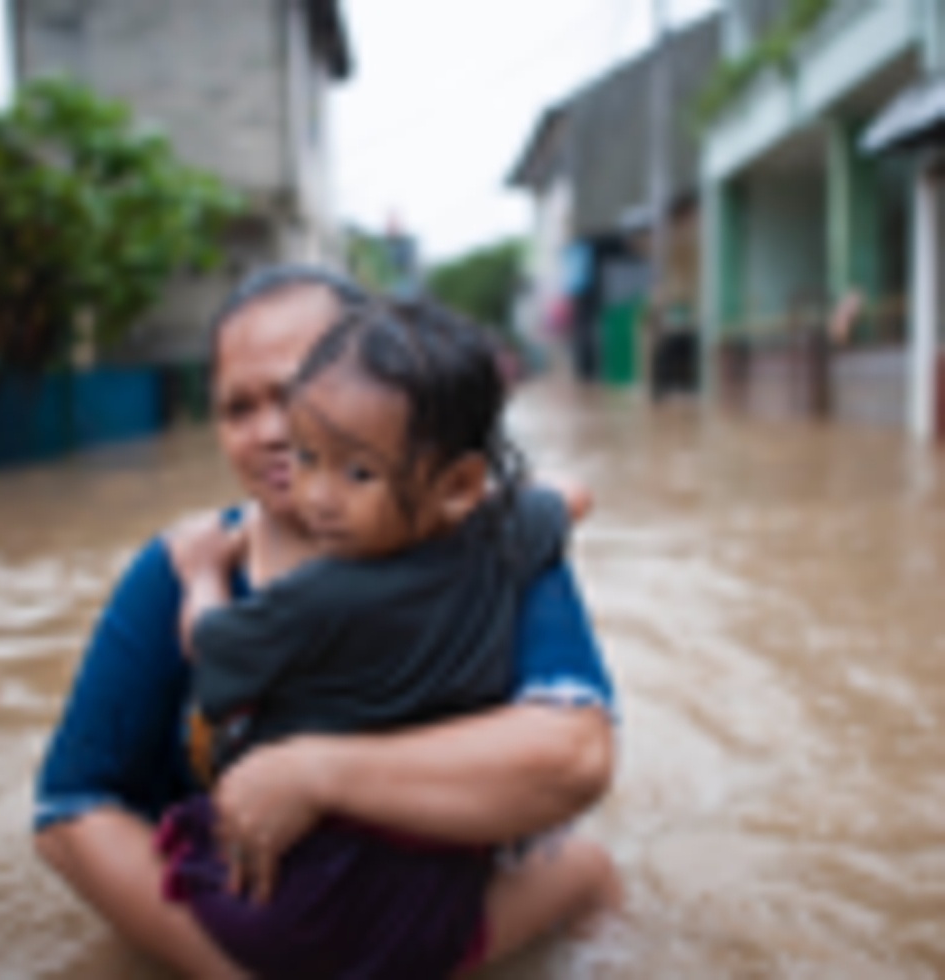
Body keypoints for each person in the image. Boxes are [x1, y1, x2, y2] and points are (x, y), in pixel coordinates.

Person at [33, 266, 619, 980]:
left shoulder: (489, 545)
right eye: (237, 408)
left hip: (427, 920)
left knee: (585, 872)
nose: (274, 432)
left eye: (298, 392)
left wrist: (318, 774)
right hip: (269, 935)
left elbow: (573, 757)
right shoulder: (173, 570)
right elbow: (71, 808)